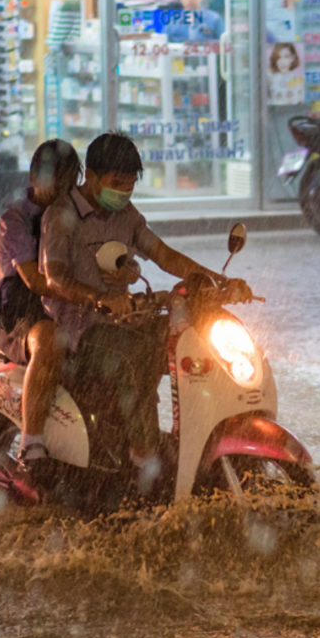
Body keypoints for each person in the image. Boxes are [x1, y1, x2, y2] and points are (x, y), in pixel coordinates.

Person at [40, 131, 251, 482]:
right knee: (137, 354)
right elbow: (54, 278)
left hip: (123, 324)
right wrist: (98, 298)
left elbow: (164, 255)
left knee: (187, 339)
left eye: (131, 184)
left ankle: (196, 440)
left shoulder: (127, 216)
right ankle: (145, 460)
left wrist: (218, 281)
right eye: (116, 182)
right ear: (91, 177)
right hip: (79, 334)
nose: (123, 192)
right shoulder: (60, 216)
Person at [0, 139, 82, 462]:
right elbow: (35, 281)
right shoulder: (16, 219)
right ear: (33, 178)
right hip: (17, 309)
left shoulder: (78, 216)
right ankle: (31, 443)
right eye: (56, 182)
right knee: (50, 341)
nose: (61, 192)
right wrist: (91, 295)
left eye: (69, 184)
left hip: (64, 302)